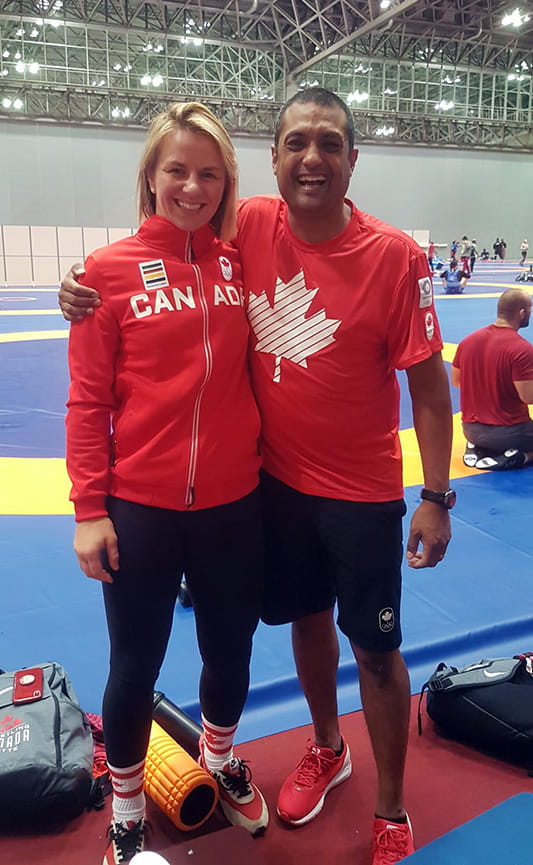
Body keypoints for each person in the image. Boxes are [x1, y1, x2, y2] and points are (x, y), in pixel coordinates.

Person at [60, 87, 453, 865]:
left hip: (297, 495)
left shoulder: (319, 252)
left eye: (209, 174)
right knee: (190, 649)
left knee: (297, 650)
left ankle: (332, 789)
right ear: (272, 160)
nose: (193, 188)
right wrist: (83, 284)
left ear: (350, 158)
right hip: (198, 494)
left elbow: (430, 386)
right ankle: (165, 799)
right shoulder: (175, 252)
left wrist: (436, 495)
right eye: (295, 144)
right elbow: (92, 383)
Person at [65, 102, 269, 865]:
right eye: (176, 169)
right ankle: (124, 806)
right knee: (134, 665)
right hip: (141, 508)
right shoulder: (103, 274)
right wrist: (90, 509)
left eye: (209, 172)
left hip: (232, 504)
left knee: (230, 651)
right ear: (149, 177)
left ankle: (217, 759)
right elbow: (87, 402)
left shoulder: (240, 261)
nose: (192, 185)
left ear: (227, 182)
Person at [452, 288, 533, 470]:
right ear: (522, 313)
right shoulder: (522, 349)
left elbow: (457, 381)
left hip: (470, 430)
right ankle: (522, 457)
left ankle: (478, 448)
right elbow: (528, 397)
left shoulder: (467, 342)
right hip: (511, 433)